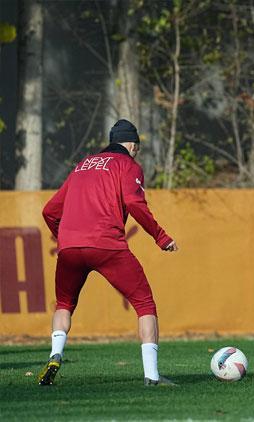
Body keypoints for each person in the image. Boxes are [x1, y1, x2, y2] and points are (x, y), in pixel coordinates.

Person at [37, 119, 178, 386]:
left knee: (64, 304)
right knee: (144, 304)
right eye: (137, 148)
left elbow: (49, 211)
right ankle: (152, 376)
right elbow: (135, 203)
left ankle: (55, 354)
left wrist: (66, 237)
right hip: (107, 245)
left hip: (69, 247)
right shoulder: (128, 165)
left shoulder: (81, 165)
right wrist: (161, 237)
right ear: (133, 144)